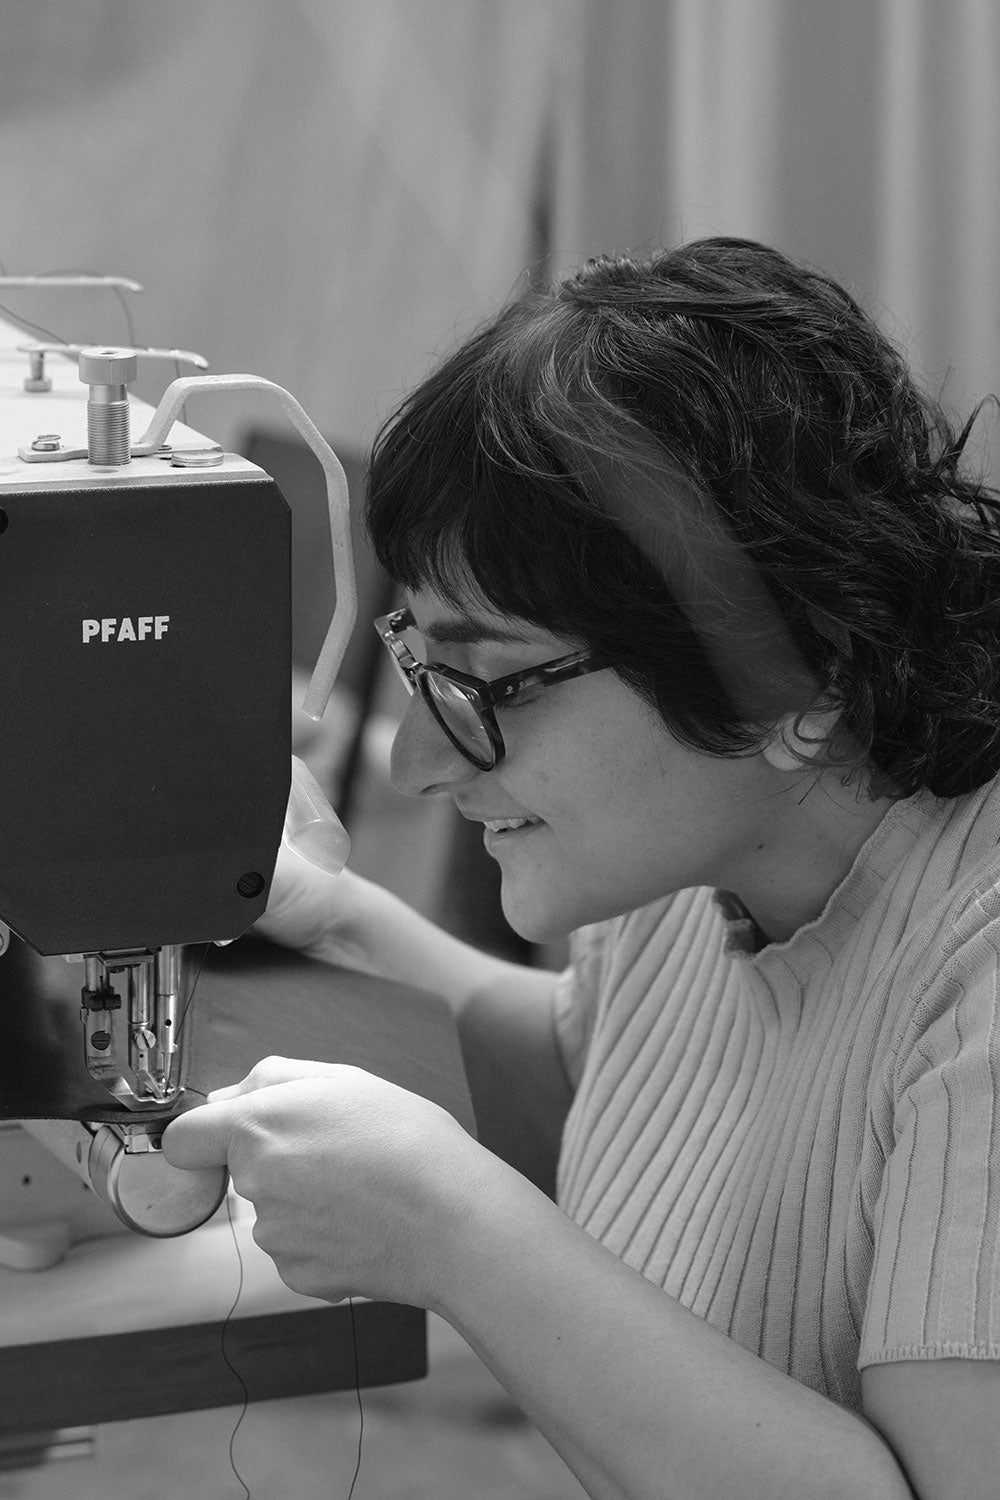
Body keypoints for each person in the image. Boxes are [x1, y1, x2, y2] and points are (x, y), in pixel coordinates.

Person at [164, 238, 1000, 1500]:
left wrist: (456, 1237)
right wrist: (334, 922)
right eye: (420, 662)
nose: (414, 765)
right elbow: (598, 1081)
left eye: (490, 681)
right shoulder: (715, 845)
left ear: (799, 678)